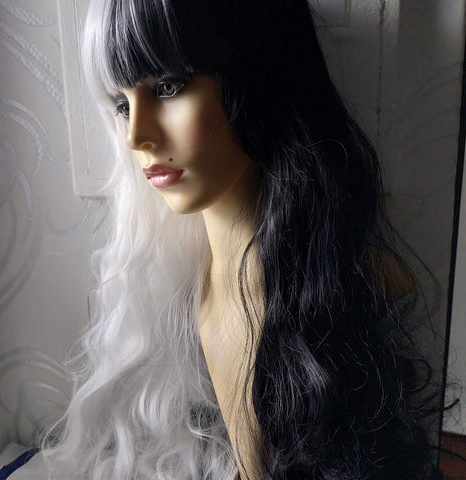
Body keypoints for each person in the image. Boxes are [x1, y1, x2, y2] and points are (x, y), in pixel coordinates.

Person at [38, 0, 446, 478]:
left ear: (256, 70)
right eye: (122, 105)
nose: (136, 136)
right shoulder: (204, 291)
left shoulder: (358, 274)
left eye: (168, 86)